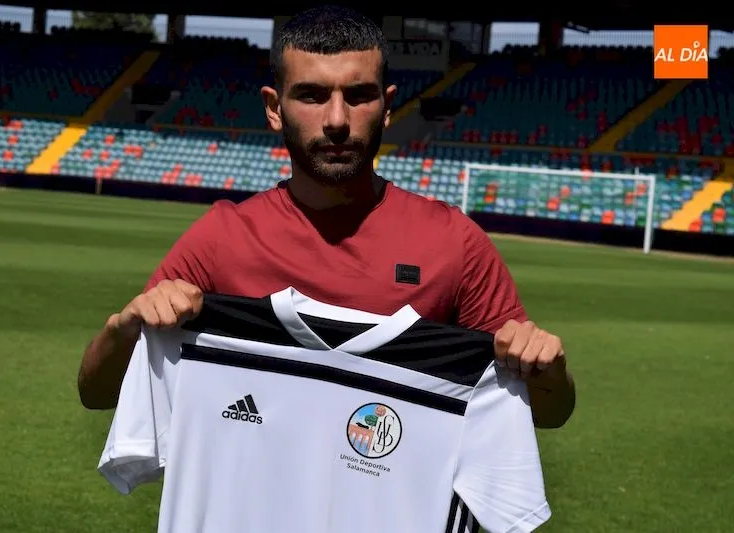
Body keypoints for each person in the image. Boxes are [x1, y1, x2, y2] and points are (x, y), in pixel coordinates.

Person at [77, 5, 575, 430]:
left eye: (358, 95)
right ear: (274, 109)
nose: (337, 120)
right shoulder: (223, 238)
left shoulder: (453, 242)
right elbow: (98, 392)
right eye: (312, 95)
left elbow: (547, 412)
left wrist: (545, 367)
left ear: (387, 107)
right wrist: (126, 329)